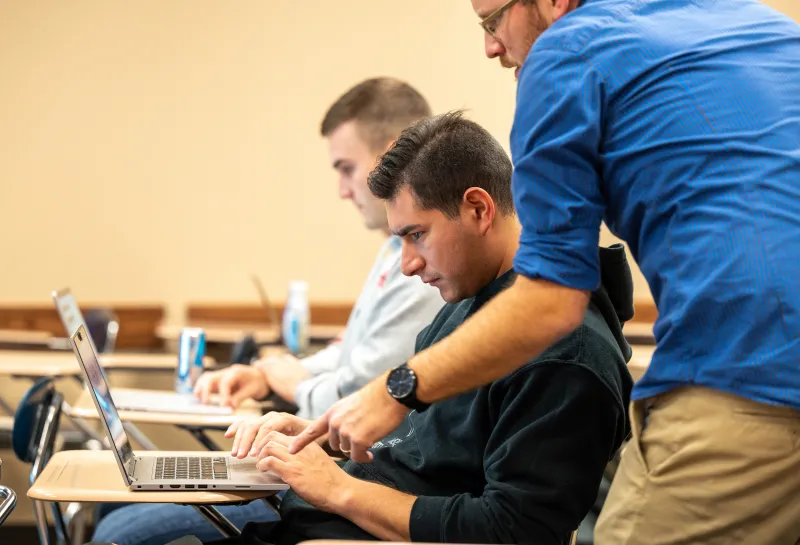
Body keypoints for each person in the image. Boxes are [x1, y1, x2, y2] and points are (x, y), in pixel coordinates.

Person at [291, 1, 800, 543]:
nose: (490, 46)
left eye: (492, 21)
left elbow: (551, 306)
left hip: (753, 370)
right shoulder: (758, 23)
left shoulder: (565, 53)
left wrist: (395, 392)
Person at [163, 111, 632, 545]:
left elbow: (512, 530)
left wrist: (339, 490)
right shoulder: (475, 303)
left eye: (417, 235)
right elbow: (425, 447)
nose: (407, 265)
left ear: (478, 209)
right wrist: (316, 436)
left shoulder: (566, 353)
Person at [90, 77, 445, 545]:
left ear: (392, 154)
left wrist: (288, 378)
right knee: (115, 509)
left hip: (358, 476)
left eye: (346, 168)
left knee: (120, 531)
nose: (342, 189)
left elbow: (358, 398)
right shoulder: (396, 250)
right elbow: (349, 357)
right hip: (336, 462)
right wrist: (268, 373)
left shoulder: (425, 270)